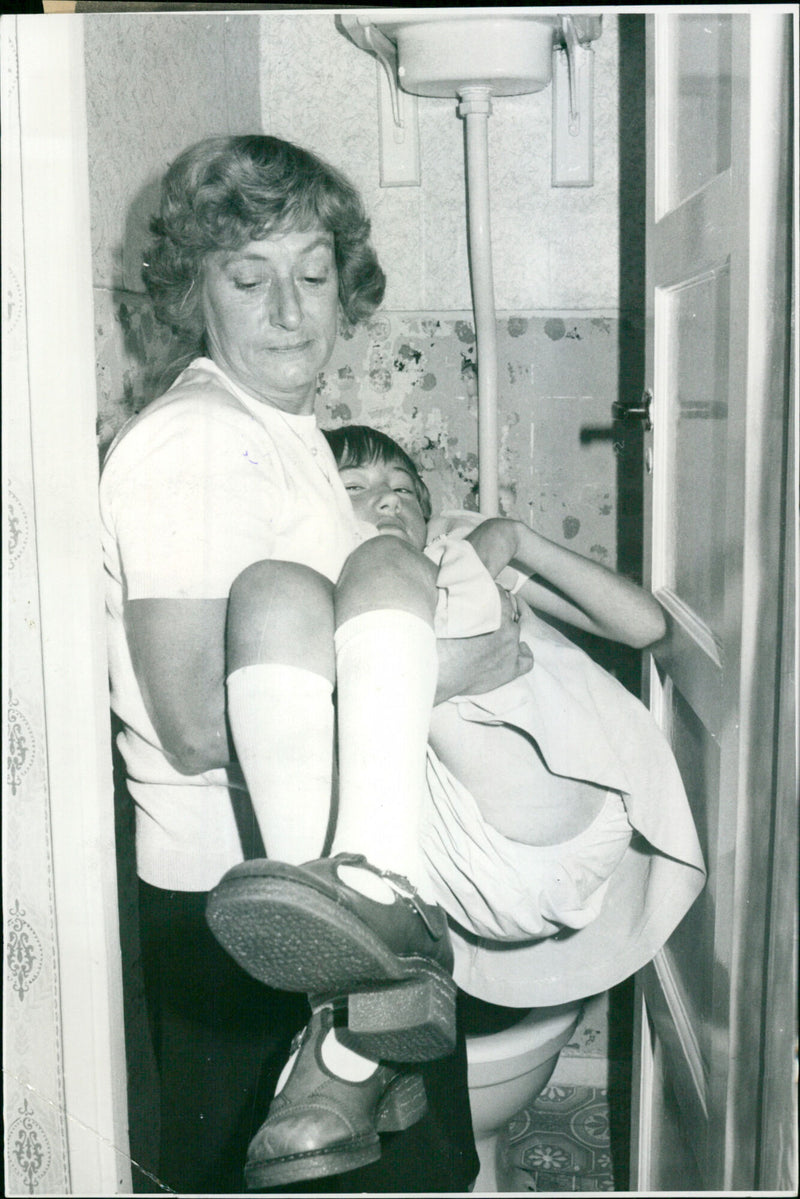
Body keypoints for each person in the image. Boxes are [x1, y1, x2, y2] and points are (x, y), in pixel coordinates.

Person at [99, 134, 530, 1194]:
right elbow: (197, 721)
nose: (290, 311)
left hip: (344, 895)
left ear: (347, 287)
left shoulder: (281, 433)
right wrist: (460, 667)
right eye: (249, 278)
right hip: (249, 912)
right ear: (195, 291)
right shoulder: (197, 441)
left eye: (313, 274)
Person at [206, 425, 706, 1187]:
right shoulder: (315, 584)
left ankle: (372, 928)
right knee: (271, 587)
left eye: (403, 489)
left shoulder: (454, 551)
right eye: (355, 489)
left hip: (550, 809)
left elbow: (648, 625)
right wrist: (445, 670)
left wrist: (515, 539)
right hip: (444, 864)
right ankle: (349, 1019)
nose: (385, 502)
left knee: (383, 568)